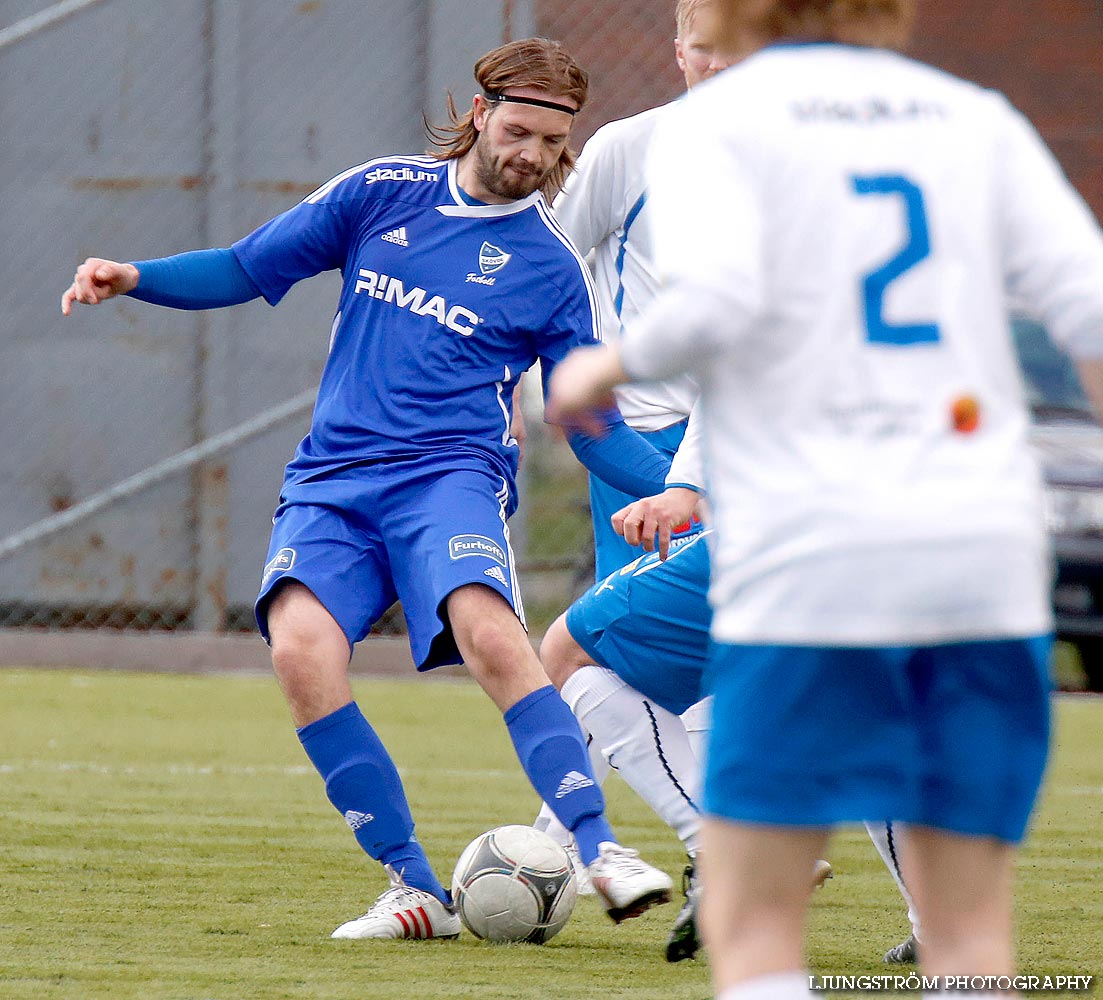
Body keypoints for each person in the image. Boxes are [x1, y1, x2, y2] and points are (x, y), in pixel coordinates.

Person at [60, 37, 676, 940]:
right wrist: (134, 279)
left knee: (489, 633)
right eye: (517, 132)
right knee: (299, 651)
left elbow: (591, 428)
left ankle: (598, 847)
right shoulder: (380, 191)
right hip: (334, 479)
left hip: (449, 479)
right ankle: (412, 885)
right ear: (478, 114)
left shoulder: (550, 268)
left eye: (552, 143)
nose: (533, 157)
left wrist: (693, 491)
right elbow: (246, 266)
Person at [546, 1, 1103, 996]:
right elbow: (1089, 311)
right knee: (970, 932)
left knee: (752, 918)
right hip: (976, 547)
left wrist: (600, 371)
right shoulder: (973, 118)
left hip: (814, 540)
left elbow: (716, 308)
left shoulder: (720, 127)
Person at [528, 0, 732, 949]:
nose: (724, 64)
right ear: (678, 48)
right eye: (707, 45)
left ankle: (590, 849)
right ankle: (564, 850)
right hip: (643, 444)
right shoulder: (627, 148)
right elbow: (549, 268)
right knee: (635, 653)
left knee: (600, 652)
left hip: (732, 443)